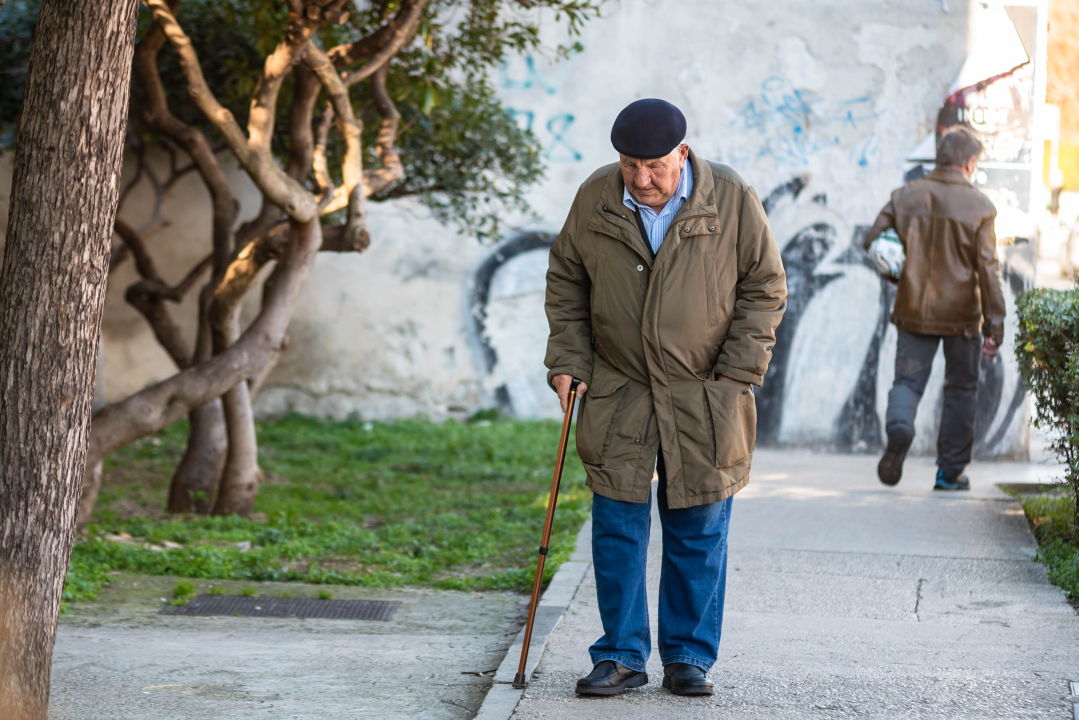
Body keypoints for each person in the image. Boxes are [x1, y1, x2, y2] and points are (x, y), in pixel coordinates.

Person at [543, 98, 787, 697]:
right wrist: (569, 362)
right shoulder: (596, 196)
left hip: (705, 392)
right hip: (619, 386)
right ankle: (622, 655)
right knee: (617, 525)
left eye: (654, 165)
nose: (642, 179)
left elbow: (765, 285)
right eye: (630, 165)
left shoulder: (729, 197)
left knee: (699, 525)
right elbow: (567, 280)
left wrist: (736, 373)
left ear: (682, 152)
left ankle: (688, 656)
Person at [863, 125, 1006, 491]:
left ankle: (899, 429)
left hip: (913, 310)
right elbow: (989, 270)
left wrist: (900, 273)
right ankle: (949, 473)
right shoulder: (981, 207)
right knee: (961, 390)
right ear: (970, 163)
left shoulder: (906, 195)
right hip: (963, 319)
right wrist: (995, 325)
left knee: (907, 383)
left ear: (940, 156)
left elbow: (872, 240)